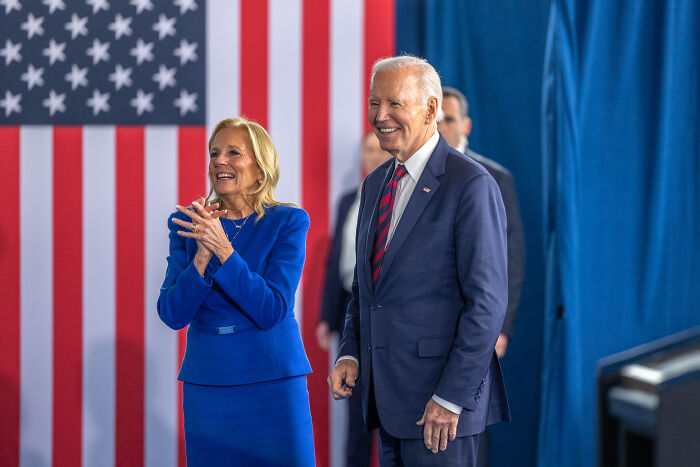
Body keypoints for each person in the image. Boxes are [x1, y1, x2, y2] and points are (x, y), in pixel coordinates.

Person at [328, 55, 510, 467]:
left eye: (394, 104)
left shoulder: (471, 184)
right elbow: (366, 287)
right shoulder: (376, 184)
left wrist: (450, 399)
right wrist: (351, 352)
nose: (380, 116)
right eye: (375, 104)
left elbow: (487, 304)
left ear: (431, 109)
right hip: (387, 407)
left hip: (441, 412)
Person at [157, 117, 315, 466]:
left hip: (273, 383)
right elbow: (171, 313)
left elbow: (271, 308)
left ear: (260, 169)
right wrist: (201, 256)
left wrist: (224, 251)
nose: (219, 161)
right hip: (209, 387)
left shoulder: (288, 221)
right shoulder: (187, 223)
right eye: (214, 153)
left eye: (233, 153)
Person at [439, 87, 526, 466]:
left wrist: (502, 327)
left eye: (450, 119)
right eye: (437, 118)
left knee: (471, 423)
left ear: (466, 125)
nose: (442, 126)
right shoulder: (405, 177)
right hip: (425, 331)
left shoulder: (493, 177)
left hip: (477, 325)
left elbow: (512, 259)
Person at [317, 130, 392, 466]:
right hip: (352, 309)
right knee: (356, 414)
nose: (373, 156)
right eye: (367, 150)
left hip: (389, 312)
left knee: (391, 410)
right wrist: (325, 316)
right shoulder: (349, 199)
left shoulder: (399, 197)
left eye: (379, 150)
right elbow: (335, 261)